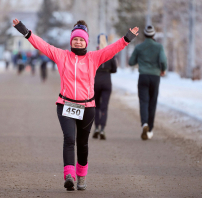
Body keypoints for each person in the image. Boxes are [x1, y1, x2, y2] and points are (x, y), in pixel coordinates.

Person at [13, 18, 139, 191]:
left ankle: (81, 176)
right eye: (75, 39)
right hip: (65, 104)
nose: (78, 42)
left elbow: (111, 50)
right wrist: (25, 31)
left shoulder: (94, 58)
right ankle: (69, 176)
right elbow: (42, 45)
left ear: (85, 41)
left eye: (81, 39)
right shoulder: (61, 55)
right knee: (69, 139)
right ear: (71, 41)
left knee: (82, 143)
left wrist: (126, 39)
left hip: (87, 107)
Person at [128, 25, 167, 140]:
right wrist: (163, 70)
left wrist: (139, 60)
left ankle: (144, 124)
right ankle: (149, 129)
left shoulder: (139, 47)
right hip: (155, 77)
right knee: (152, 102)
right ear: (153, 35)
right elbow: (163, 60)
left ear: (145, 35)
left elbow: (131, 62)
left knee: (143, 102)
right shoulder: (159, 47)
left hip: (143, 76)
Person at [92, 34, 117, 140]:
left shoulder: (94, 54)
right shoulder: (110, 54)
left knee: (95, 106)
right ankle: (102, 129)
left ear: (97, 42)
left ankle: (96, 127)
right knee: (104, 107)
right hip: (107, 82)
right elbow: (114, 69)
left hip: (95, 82)